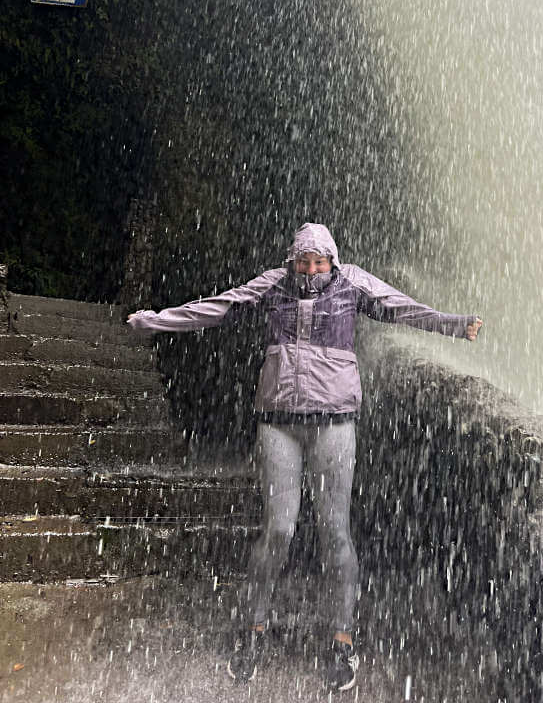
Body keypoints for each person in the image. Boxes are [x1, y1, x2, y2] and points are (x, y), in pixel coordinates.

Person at [127, 222, 482, 692]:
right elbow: (219, 307)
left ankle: (341, 639)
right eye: (303, 262)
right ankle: (252, 629)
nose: (311, 271)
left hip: (334, 422)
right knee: (279, 528)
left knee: (335, 530)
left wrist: (454, 325)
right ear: (292, 260)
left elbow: (401, 308)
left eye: (319, 262)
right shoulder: (274, 285)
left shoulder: (353, 283)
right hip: (279, 421)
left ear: (332, 261)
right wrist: (156, 320)